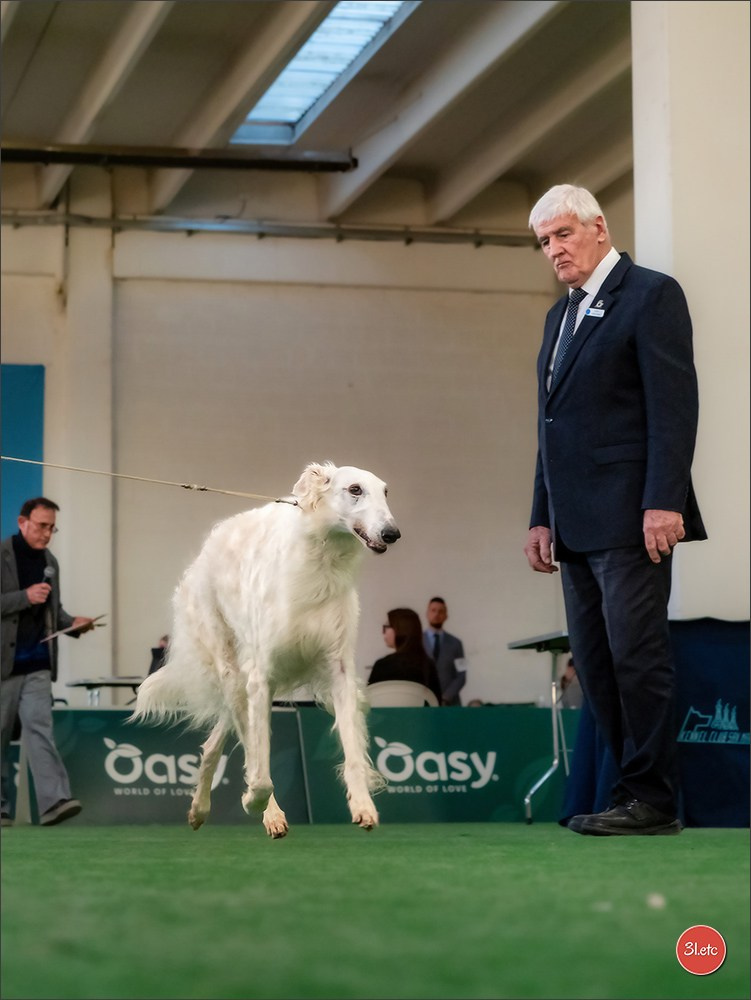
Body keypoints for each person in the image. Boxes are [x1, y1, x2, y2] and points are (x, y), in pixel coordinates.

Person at [524, 184, 706, 836]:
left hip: (632, 517)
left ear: (597, 227)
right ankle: (628, 793)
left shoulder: (650, 294)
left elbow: (672, 408)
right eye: (544, 241)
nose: (554, 249)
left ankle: (652, 801)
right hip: (574, 524)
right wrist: (539, 515)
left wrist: (663, 501)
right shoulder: (558, 317)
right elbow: (550, 427)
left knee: (636, 657)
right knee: (597, 666)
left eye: (562, 233)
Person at [1, 497, 95, 826]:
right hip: (4, 664)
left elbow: (53, 612)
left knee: (40, 730)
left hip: (39, 664)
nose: (47, 533)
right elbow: (24, 600)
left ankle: (55, 801)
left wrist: (73, 624)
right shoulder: (2, 555)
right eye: (42, 526)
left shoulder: (50, 560)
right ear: (22, 522)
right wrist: (22, 598)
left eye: (52, 527)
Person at [368, 608, 442, 705]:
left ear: (399, 629)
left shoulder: (382, 666)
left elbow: (368, 703)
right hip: (420, 720)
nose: (383, 632)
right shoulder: (428, 666)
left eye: (386, 627)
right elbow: (436, 704)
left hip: (388, 720)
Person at [423, 597, 466, 705]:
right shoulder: (417, 642)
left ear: (446, 616)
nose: (437, 614)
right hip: (424, 702)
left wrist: (446, 697)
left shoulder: (457, 643)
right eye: (433, 610)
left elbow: (462, 674)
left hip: (450, 704)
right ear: (427, 613)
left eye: (441, 611)